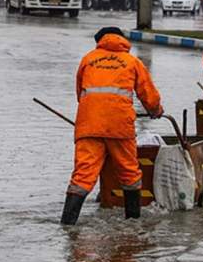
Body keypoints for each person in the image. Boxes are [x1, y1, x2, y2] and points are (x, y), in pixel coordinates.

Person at [61, 27, 164, 225]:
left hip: (89, 125)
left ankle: (67, 224)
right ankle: (133, 222)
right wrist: (156, 111)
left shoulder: (88, 59)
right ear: (121, 40)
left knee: (83, 174)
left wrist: (93, 115)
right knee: (129, 172)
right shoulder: (131, 62)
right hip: (119, 127)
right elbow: (148, 95)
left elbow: (80, 94)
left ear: (99, 42)